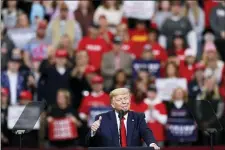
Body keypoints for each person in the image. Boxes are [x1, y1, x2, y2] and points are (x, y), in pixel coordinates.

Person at [86, 88, 160, 149]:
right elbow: (89, 143)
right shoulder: (102, 118)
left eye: (126, 98)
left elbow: (146, 132)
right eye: (119, 100)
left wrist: (152, 143)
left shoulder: (138, 117)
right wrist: (93, 132)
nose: (124, 102)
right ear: (113, 105)